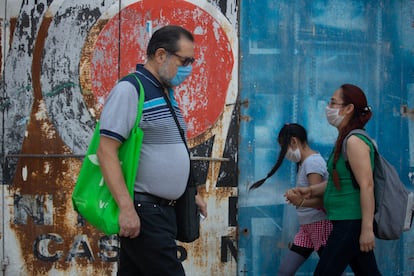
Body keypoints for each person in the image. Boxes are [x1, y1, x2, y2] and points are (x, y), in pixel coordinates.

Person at [96, 25, 207, 276]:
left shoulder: (166, 93)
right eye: (185, 60)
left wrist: (190, 195)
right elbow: (106, 151)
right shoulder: (131, 89)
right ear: (160, 55)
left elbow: (171, 149)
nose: (189, 68)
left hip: (164, 212)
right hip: (145, 212)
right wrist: (126, 208)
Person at [294, 84, 381, 275]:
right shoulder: (344, 139)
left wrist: (367, 229)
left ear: (348, 108)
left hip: (351, 222)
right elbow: (339, 182)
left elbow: (367, 185)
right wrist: (310, 191)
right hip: (345, 220)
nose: (328, 107)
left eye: (333, 102)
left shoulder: (354, 141)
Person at [249, 123, 334, 276]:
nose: (285, 153)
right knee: (285, 271)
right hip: (307, 228)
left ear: (294, 141)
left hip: (320, 226)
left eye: (284, 148)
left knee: (330, 270)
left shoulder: (312, 163)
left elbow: (322, 200)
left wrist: (299, 201)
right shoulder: (304, 163)